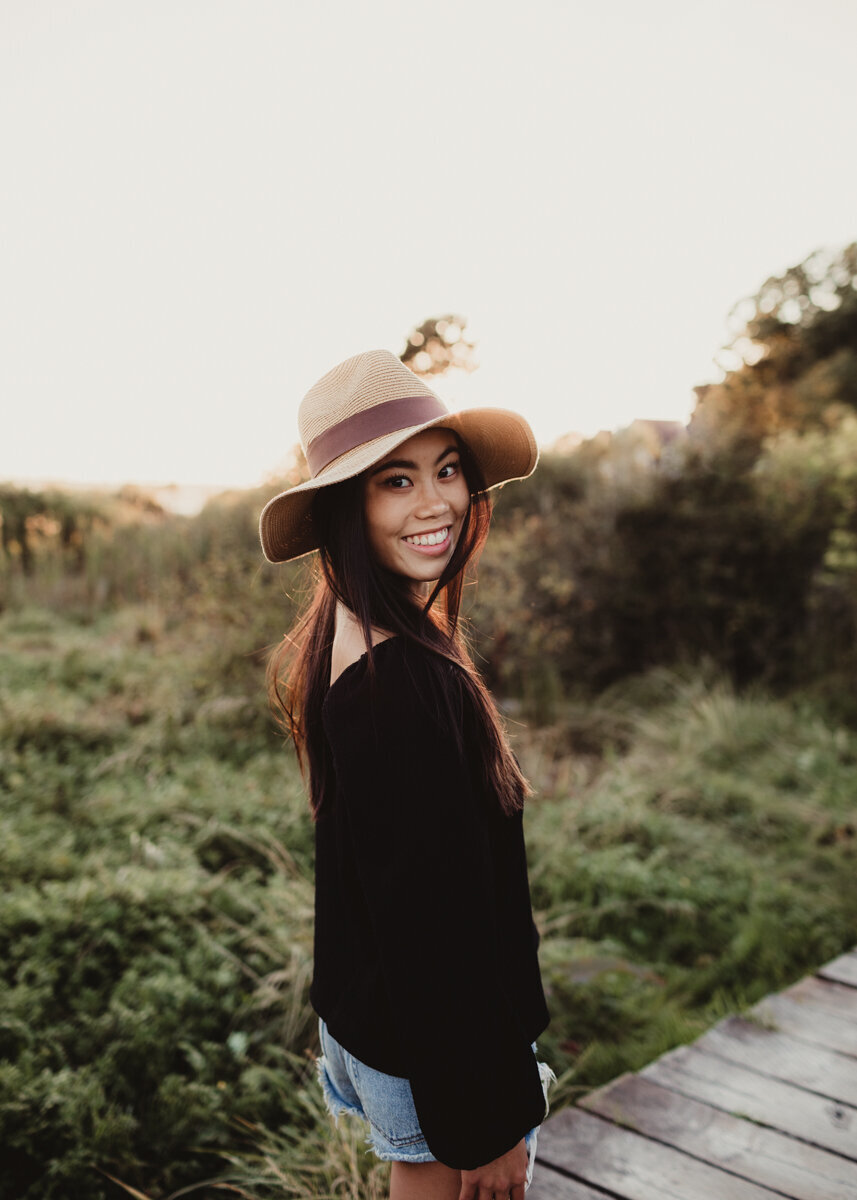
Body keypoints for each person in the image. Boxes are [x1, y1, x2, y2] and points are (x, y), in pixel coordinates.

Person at [259, 349, 555, 1200]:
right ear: (346, 506)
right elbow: (437, 929)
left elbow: (389, 878)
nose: (437, 505)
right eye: (395, 481)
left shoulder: (344, 635)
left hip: (376, 1019)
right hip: (434, 1046)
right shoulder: (401, 687)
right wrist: (489, 1122)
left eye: (447, 469)